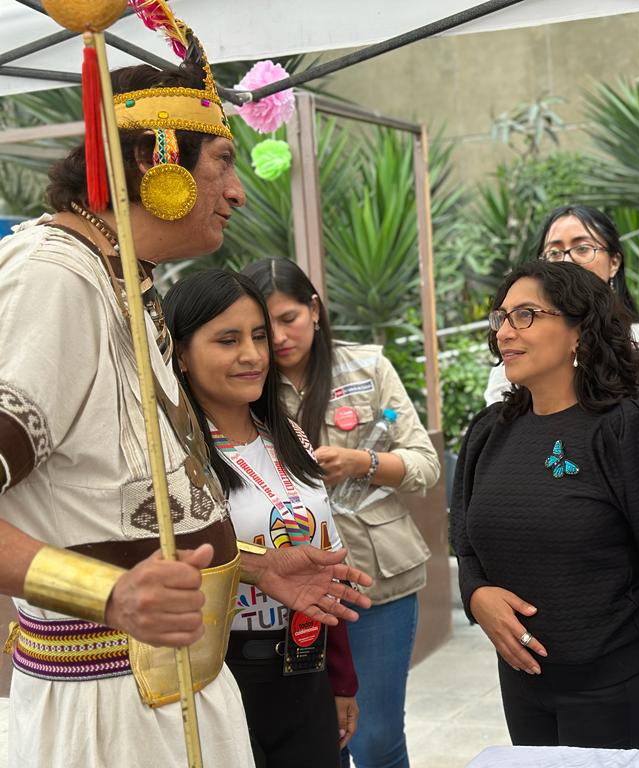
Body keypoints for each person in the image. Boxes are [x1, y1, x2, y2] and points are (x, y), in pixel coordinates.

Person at [0, 23, 370, 767]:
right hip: (106, 706)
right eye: (223, 163)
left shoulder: (121, 279)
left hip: (175, 692)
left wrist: (255, 567)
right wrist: (107, 596)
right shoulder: (52, 275)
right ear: (153, 158)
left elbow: (124, 494)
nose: (236, 190)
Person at [451, 260, 639, 749]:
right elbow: (466, 544)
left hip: (612, 687)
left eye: (526, 315)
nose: (506, 332)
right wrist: (476, 596)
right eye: (502, 318)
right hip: (522, 680)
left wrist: (615, 625)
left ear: (580, 333)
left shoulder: (628, 429)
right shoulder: (490, 432)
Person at [241, 257, 440, 768]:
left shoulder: (367, 367)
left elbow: (424, 465)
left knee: (375, 739)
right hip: (287, 589)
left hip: (376, 582)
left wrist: (361, 461)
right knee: (316, 740)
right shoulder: (247, 382)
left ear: (314, 309)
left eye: (290, 319)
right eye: (266, 328)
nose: (279, 338)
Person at [164, 269, 360, 767]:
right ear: (181, 354)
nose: (251, 355)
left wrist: (341, 680)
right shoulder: (173, 458)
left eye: (258, 337)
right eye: (227, 340)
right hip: (223, 675)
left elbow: (325, 567)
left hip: (306, 666)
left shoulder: (288, 434)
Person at [483, 203, 639, 471]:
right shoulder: (518, 351)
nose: (566, 261)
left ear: (614, 262)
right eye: (554, 252)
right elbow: (500, 444)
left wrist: (635, 436)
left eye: (582, 248)